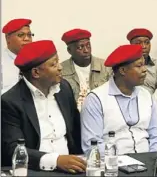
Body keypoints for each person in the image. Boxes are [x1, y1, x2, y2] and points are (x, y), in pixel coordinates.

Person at [1, 40, 85, 173]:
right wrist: (55, 161)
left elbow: (75, 130)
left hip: (71, 167)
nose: (60, 67)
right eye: (53, 64)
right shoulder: (10, 102)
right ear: (36, 73)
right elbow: (13, 149)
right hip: (35, 170)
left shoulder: (64, 89)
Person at [80, 44, 157, 155]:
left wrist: (153, 159)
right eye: (139, 66)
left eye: (144, 65)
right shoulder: (96, 99)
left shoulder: (146, 95)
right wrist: (114, 163)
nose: (145, 70)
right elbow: (92, 144)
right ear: (123, 70)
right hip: (114, 165)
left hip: (147, 161)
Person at [61, 28, 112, 111]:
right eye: (80, 47)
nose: (86, 50)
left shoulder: (106, 67)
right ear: (69, 50)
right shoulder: (61, 70)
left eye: (88, 45)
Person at [127, 28, 157, 94]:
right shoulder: (123, 66)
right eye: (138, 43)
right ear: (130, 45)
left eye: (147, 42)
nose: (144, 46)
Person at [1, 18, 33, 94]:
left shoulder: (36, 60)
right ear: (8, 38)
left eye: (29, 35)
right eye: (21, 35)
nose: (27, 39)